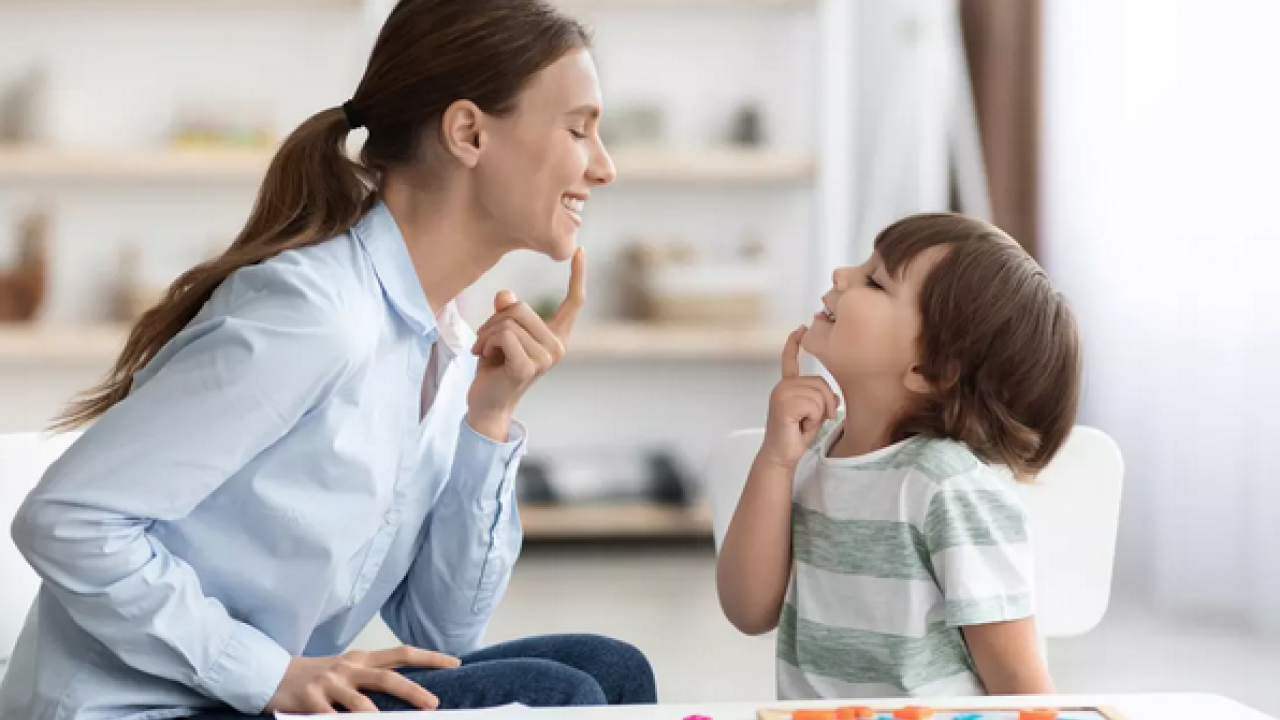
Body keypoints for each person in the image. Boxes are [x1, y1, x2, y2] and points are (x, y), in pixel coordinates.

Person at [0, 1, 659, 718]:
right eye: (579, 129)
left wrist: (487, 421)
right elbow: (66, 520)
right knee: (563, 697)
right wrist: (271, 673)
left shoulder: (444, 339)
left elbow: (442, 631)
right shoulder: (314, 315)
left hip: (240, 703)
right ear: (468, 132)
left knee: (608, 670)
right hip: (144, 709)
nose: (605, 167)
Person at [716, 213, 1082, 699]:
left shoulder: (947, 487)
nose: (840, 276)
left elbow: (1018, 682)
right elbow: (748, 610)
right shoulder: (809, 451)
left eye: (874, 281)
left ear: (929, 370)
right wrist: (776, 462)